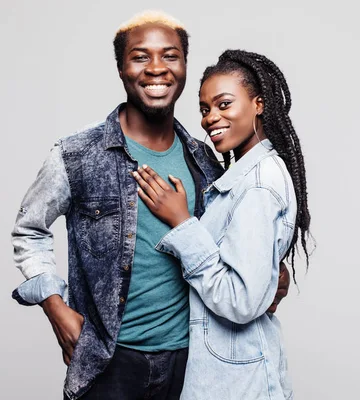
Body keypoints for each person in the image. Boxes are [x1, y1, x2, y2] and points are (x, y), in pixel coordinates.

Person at [11, 11, 290, 400]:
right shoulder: (76, 155)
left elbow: (234, 244)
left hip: (192, 362)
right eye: (140, 57)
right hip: (109, 362)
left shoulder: (205, 162)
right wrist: (55, 307)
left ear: (185, 66)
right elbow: (29, 230)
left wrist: (272, 269)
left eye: (170, 56)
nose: (156, 68)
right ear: (122, 68)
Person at [132, 49, 311, 399]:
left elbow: (240, 302)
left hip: (237, 383)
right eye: (204, 109)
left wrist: (182, 223)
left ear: (259, 104)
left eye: (224, 104)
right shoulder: (244, 177)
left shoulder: (259, 184)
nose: (210, 118)